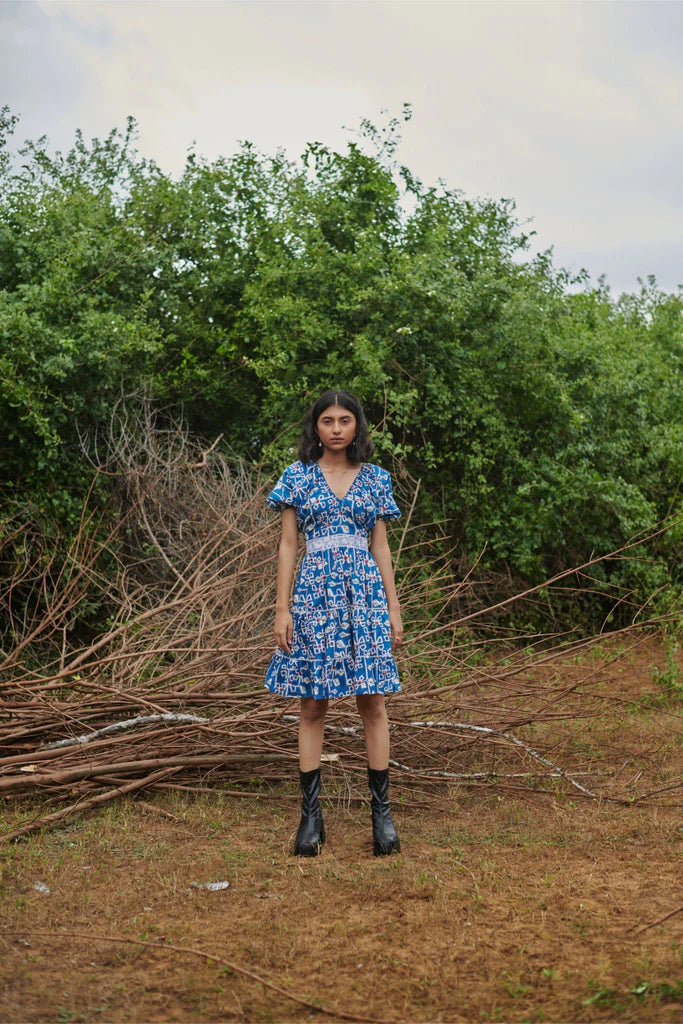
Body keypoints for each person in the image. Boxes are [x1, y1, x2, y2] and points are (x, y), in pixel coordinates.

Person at [265, 389, 404, 857]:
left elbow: (380, 547)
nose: (337, 428)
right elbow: (288, 545)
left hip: (364, 597)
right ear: (316, 427)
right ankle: (310, 817)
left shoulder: (376, 479)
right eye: (328, 420)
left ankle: (381, 816)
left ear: (357, 426)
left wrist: (394, 608)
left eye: (346, 420)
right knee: (313, 705)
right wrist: (282, 608)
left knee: (373, 702)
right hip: (315, 597)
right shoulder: (297, 478)